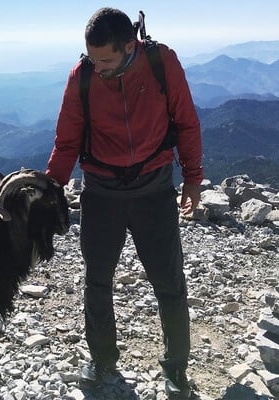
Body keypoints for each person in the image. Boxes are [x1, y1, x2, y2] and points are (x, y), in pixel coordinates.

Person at [45, 7, 203, 399]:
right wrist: (50, 191)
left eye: (106, 60)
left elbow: (186, 122)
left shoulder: (161, 62)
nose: (96, 67)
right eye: (92, 58)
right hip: (101, 193)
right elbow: (67, 139)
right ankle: (102, 361)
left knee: (169, 283)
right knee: (97, 280)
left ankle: (176, 368)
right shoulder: (82, 76)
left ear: (130, 45)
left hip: (154, 190)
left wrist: (193, 180)